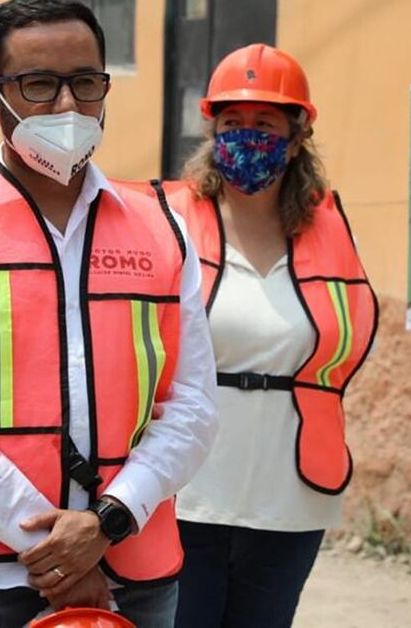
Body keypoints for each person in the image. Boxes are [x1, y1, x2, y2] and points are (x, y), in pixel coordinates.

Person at [0, 0, 217, 628]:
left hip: (133, 571)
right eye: (38, 85)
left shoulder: (161, 229)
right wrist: (56, 551)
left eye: (86, 82)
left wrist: (109, 521)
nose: (67, 106)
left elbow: (193, 406)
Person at [160, 43, 379, 627]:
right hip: (186, 488)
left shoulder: (329, 226)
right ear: (212, 130)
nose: (246, 136)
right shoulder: (170, 220)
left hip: (292, 497)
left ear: (297, 133)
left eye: (264, 123)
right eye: (232, 122)